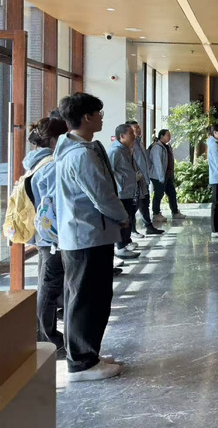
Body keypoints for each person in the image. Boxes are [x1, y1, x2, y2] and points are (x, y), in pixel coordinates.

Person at [55, 93, 128, 382]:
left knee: (87, 297)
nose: (101, 118)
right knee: (88, 300)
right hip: (87, 236)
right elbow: (102, 196)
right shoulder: (81, 155)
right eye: (98, 113)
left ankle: (88, 354)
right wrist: (122, 216)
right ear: (86, 117)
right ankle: (82, 362)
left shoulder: (73, 149)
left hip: (84, 235)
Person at [24, 117, 68, 357]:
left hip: (43, 236)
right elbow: (55, 204)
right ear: (55, 139)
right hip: (52, 238)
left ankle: (44, 334)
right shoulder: (51, 166)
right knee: (49, 287)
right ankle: (46, 337)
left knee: (46, 285)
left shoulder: (34, 162)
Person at [108, 124, 142, 261]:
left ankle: (125, 243)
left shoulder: (126, 149)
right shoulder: (115, 151)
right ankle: (121, 247)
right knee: (123, 220)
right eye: (131, 134)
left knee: (129, 217)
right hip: (121, 192)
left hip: (128, 191)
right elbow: (109, 171)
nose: (134, 136)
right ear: (122, 136)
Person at [126, 120, 163, 236]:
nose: (138, 130)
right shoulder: (130, 145)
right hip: (136, 180)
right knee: (135, 206)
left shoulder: (140, 143)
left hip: (144, 179)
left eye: (138, 128)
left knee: (145, 204)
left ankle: (148, 226)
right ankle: (132, 230)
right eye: (135, 129)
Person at [149, 129, 186, 223]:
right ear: (161, 136)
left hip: (167, 175)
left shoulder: (166, 146)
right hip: (158, 176)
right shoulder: (157, 147)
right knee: (159, 194)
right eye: (167, 135)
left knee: (172, 193)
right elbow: (157, 163)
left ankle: (175, 212)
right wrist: (161, 177)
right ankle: (156, 214)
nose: (169, 137)